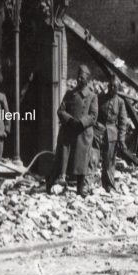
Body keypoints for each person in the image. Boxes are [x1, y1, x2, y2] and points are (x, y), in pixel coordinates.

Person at [46, 65, 98, 197]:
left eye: (83, 77)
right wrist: (70, 120)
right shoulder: (69, 94)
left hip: (83, 133)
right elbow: (60, 110)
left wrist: (81, 122)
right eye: (78, 76)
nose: (79, 79)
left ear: (88, 78)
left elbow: (93, 116)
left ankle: (81, 187)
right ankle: (54, 182)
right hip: (68, 131)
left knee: (82, 160)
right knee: (62, 158)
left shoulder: (92, 96)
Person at [94, 75, 127, 192]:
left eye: (115, 86)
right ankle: (88, 183)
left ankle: (108, 185)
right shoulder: (100, 98)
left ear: (118, 88)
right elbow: (94, 114)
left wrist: (122, 139)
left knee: (109, 161)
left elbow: (123, 122)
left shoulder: (120, 102)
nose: (112, 88)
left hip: (112, 133)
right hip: (98, 131)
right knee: (93, 157)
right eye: (110, 85)